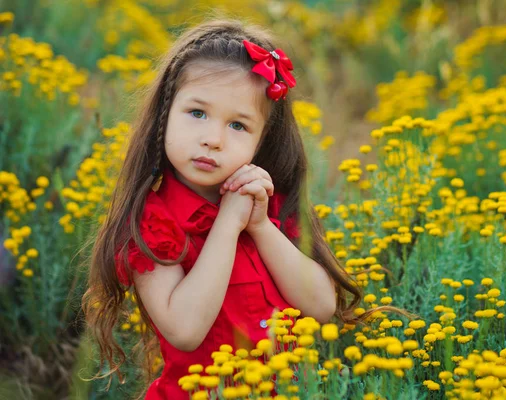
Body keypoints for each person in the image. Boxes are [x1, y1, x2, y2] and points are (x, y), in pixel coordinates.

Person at [82, 18, 384, 400]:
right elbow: (185, 330)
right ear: (164, 115)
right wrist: (228, 223)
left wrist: (259, 226)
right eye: (197, 113)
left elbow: (322, 307)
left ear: (262, 141)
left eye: (238, 125)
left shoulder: (268, 203)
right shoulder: (154, 222)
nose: (212, 139)